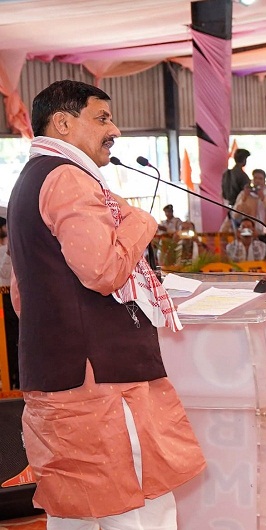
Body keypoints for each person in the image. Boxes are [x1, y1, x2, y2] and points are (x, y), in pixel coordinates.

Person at [7, 80, 204, 529]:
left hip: (61, 371)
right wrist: (141, 223)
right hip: (101, 381)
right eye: (101, 118)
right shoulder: (68, 179)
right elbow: (102, 272)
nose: (114, 128)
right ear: (63, 123)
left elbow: (23, 294)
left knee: (78, 509)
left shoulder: (30, 181)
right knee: (136, 502)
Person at [0, 216, 18, 389]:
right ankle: (10, 379)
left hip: (15, 297)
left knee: (18, 338)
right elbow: (5, 275)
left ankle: (17, 378)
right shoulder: (5, 250)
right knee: (8, 340)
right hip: (4, 300)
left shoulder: (13, 246)